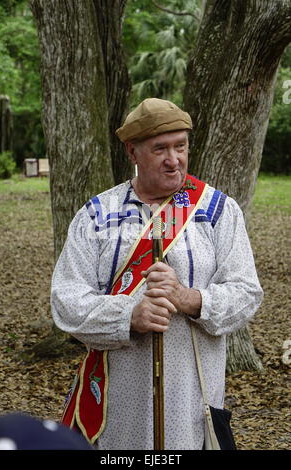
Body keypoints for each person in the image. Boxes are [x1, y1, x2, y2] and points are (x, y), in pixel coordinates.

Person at [51, 98, 263, 450]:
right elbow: (66, 301)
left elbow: (246, 292)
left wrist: (190, 298)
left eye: (180, 147)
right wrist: (129, 315)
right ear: (132, 153)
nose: (173, 159)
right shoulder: (97, 215)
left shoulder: (216, 211)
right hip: (117, 399)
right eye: (160, 149)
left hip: (191, 397)